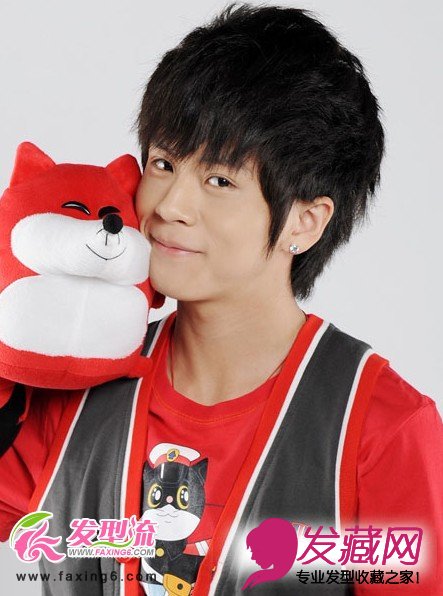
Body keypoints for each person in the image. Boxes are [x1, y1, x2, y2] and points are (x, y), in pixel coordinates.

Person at [1, 3, 442, 595]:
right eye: (163, 163)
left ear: (305, 221)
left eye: (220, 180)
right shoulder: (73, 383)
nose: (169, 206)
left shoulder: (381, 427)